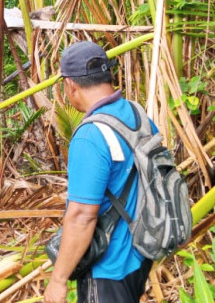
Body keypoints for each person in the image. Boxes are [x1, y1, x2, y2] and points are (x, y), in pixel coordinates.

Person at [43, 41, 157, 303]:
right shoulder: (138, 115)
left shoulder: (90, 136)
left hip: (108, 270)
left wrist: (58, 281)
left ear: (71, 85)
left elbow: (82, 216)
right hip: (140, 255)